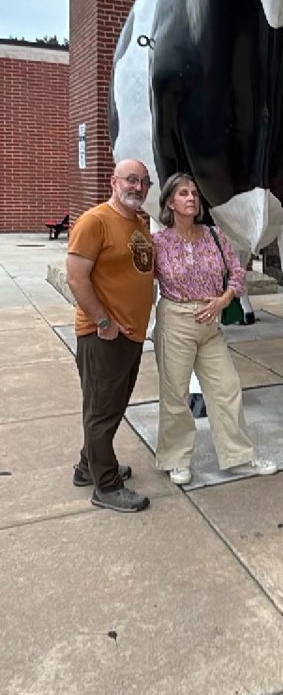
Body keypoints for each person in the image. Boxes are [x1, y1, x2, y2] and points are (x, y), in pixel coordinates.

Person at [153, 173, 277, 485]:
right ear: (170, 202)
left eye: (194, 193)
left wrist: (224, 299)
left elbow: (237, 272)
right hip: (176, 319)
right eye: (183, 193)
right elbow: (138, 280)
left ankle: (239, 457)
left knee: (227, 388)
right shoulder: (158, 242)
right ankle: (175, 459)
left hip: (211, 322)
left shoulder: (214, 235)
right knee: (175, 393)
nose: (191, 198)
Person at [67, 159, 155, 512]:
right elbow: (76, 277)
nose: (138, 187)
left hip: (130, 334)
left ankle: (87, 466)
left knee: (110, 406)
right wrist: (104, 323)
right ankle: (106, 486)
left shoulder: (139, 223)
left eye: (144, 182)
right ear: (113, 182)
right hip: (103, 335)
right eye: (131, 179)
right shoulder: (95, 221)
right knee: (102, 412)